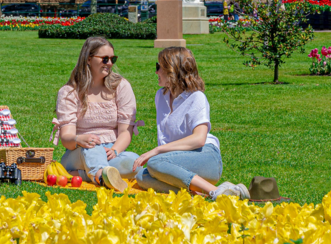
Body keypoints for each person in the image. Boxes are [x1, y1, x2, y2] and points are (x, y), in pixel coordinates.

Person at [134, 47, 249, 199]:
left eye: (158, 67)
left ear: (172, 70)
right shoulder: (160, 96)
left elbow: (199, 139)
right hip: (175, 161)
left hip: (206, 157)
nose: (156, 72)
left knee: (154, 163)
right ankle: (210, 194)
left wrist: (157, 150)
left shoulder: (196, 98)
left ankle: (214, 190)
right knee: (142, 176)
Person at [52, 37, 142, 192]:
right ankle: (101, 177)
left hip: (111, 152)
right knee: (92, 149)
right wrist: (79, 139)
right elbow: (66, 139)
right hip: (79, 152)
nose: (110, 63)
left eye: (113, 59)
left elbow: (125, 132)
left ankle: (83, 174)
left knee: (134, 161)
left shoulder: (121, 87)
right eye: (105, 59)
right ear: (88, 59)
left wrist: (115, 150)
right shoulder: (69, 92)